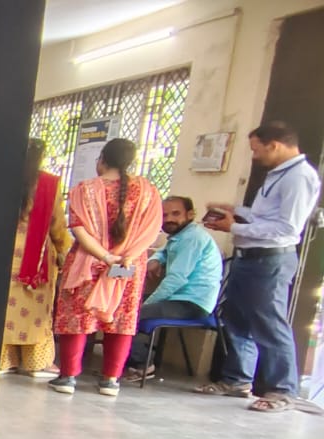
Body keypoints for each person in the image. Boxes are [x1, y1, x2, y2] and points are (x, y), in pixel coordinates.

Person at [200, 123, 323, 413]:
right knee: (236, 319)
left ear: (274, 145)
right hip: (249, 257)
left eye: (257, 150)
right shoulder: (277, 174)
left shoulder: (299, 177)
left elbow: (287, 228)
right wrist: (236, 212)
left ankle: (283, 390)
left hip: (270, 260)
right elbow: (264, 217)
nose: (254, 156)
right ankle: (237, 379)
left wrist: (236, 228)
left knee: (269, 323)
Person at [49, 138, 162, 398]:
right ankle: (110, 381)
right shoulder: (149, 191)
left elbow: (78, 230)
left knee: (77, 318)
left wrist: (105, 256)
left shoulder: (85, 189)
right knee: (121, 320)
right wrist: (126, 256)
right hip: (129, 266)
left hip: (89, 263)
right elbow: (151, 232)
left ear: (102, 159)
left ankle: (68, 377)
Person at [124, 196, 223, 381]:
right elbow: (164, 250)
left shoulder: (192, 238)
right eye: (164, 215)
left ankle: (142, 365)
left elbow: (176, 279)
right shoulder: (181, 235)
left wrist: (148, 303)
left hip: (191, 303)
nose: (169, 219)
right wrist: (156, 260)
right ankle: (128, 360)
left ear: (190, 214)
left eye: (176, 214)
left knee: (130, 314)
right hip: (179, 299)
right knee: (126, 305)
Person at [0, 139, 71, 377]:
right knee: (35, 310)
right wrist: (64, 249)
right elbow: (57, 224)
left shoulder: (1, 178)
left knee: (4, 308)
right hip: (37, 256)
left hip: (4, 252)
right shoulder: (48, 183)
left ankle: (1, 360)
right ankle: (35, 362)